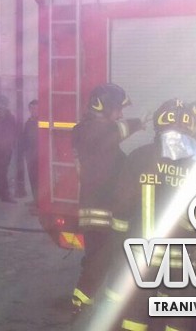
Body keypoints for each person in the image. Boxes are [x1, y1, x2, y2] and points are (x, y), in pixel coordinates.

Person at [107, 98, 196, 331]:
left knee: (135, 311)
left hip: (141, 254)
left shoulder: (140, 156)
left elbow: (122, 206)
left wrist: (117, 243)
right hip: (182, 258)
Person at [69, 83, 141, 315]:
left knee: (98, 258)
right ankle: (83, 304)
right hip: (99, 211)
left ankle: (85, 303)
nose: (120, 115)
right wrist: (140, 122)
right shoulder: (90, 131)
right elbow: (114, 132)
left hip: (99, 208)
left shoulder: (89, 132)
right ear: (105, 107)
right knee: (100, 258)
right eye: (118, 109)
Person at [14, 99, 40, 205]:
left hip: (41, 156)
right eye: (32, 108)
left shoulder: (43, 122)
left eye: (36, 108)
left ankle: (40, 202)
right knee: (33, 178)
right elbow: (24, 139)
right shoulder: (28, 123)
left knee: (40, 179)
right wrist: (24, 152)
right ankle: (36, 200)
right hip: (30, 156)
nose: (34, 110)